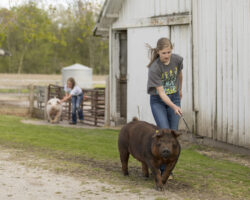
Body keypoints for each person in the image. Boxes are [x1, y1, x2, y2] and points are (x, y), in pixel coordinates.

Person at [147, 37, 183, 174]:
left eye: (168, 52)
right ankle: (161, 169)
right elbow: (161, 93)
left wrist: (180, 89)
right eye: (163, 53)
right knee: (164, 132)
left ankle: (169, 168)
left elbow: (179, 74)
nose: (166, 56)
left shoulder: (177, 60)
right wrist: (174, 107)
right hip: (158, 101)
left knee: (173, 134)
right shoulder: (154, 68)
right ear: (158, 52)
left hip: (174, 96)